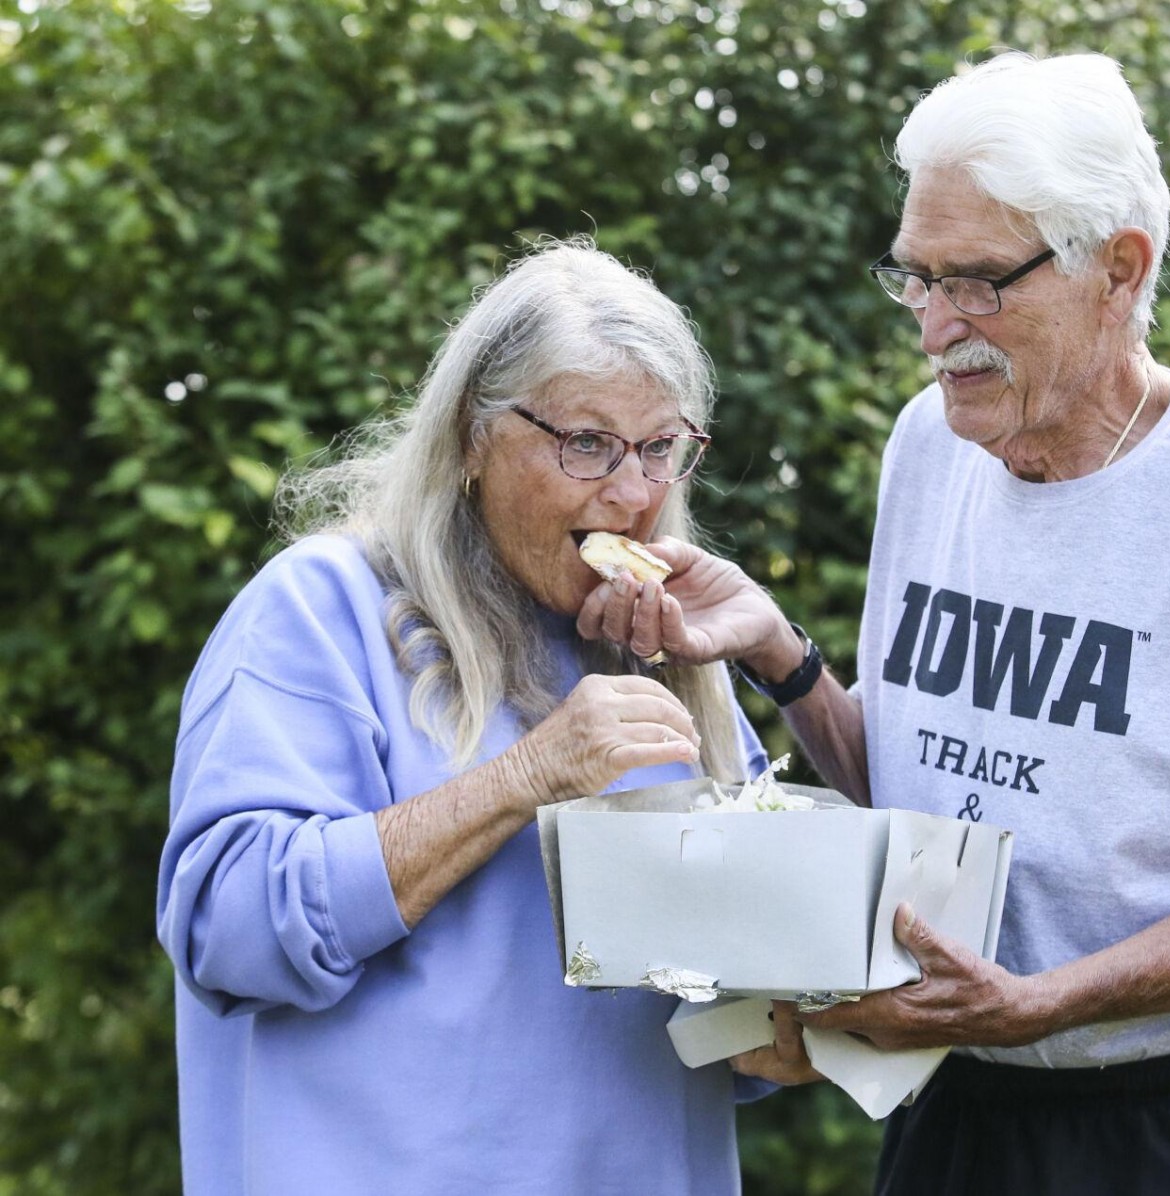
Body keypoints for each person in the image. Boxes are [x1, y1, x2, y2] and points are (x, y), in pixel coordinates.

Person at [583, 52, 1170, 1196]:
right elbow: (910, 793)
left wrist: (1038, 1004)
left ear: (1120, 268)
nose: (934, 329)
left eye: (978, 282)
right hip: (954, 1106)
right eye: (915, 279)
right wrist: (779, 652)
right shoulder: (930, 444)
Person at [155, 239, 773, 1195]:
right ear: (474, 438)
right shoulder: (322, 608)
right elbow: (226, 930)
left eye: (660, 447)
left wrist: (796, 1016)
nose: (635, 494)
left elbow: (735, 1031)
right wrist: (526, 778)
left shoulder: (675, 646)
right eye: (587, 443)